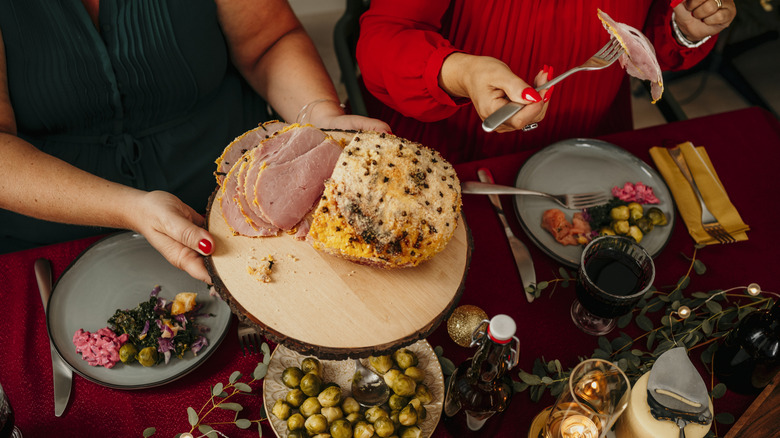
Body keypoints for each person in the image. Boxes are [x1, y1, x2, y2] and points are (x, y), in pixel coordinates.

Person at [0, 0, 390, 283]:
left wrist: (317, 113)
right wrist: (128, 209)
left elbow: (269, 42)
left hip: (242, 208)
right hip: (57, 236)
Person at [356, 0, 736, 164]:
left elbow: (649, 38)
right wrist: (460, 73)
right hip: (447, 149)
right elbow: (384, 39)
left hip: (587, 142)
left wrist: (684, 27)